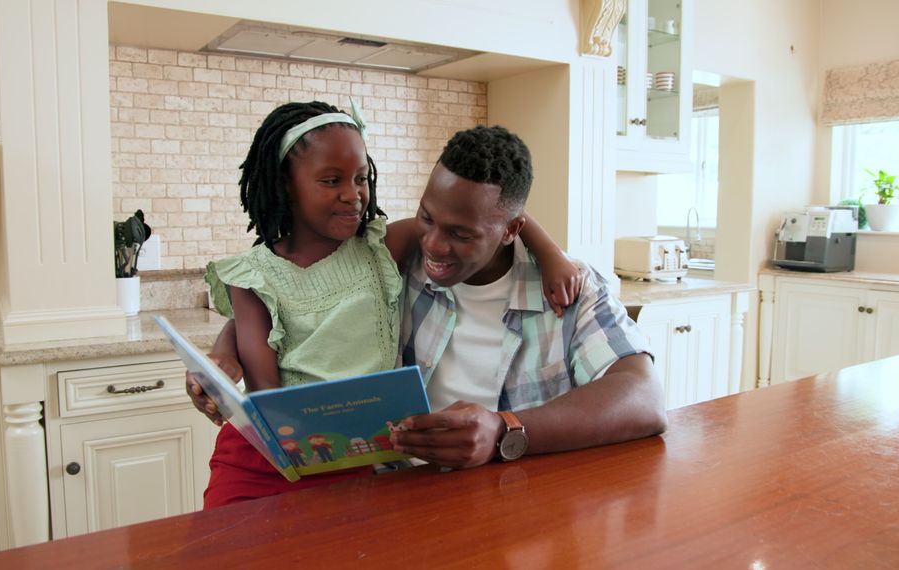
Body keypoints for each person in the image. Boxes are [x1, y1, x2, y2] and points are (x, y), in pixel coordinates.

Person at [196, 124, 665, 479]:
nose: (436, 245)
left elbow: (643, 399)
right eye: (426, 218)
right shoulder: (398, 266)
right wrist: (226, 349)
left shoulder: (569, 291)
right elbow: (288, 296)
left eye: (461, 234)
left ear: (511, 230)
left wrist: (505, 430)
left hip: (515, 495)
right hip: (394, 494)